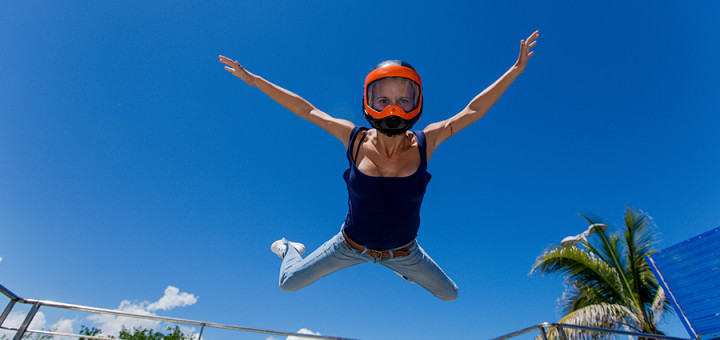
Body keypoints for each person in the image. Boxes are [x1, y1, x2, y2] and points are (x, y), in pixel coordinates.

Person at [219, 30, 538, 301]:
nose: (393, 108)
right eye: (383, 100)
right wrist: (255, 80)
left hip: (405, 252)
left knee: (449, 294)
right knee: (289, 283)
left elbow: (473, 110)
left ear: (417, 103)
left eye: (403, 100)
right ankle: (289, 248)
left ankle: (404, 272)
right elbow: (306, 110)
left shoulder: (428, 141)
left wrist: (516, 70)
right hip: (349, 245)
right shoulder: (354, 139)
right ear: (368, 101)